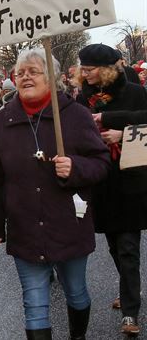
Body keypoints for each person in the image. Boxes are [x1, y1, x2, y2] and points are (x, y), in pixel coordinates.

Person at [0, 48, 110, 340]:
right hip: (24, 228)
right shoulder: (1, 121)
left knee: (76, 293)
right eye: (20, 72)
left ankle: (77, 336)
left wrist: (75, 167)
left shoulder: (75, 115)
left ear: (52, 79)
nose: (25, 77)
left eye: (34, 72)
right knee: (34, 304)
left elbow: (101, 162)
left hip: (68, 224)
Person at [75, 43, 147, 336]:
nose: (84, 73)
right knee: (115, 246)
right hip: (102, 182)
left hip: (131, 179)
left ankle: (130, 312)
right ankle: (128, 289)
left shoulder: (135, 91)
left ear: (105, 69)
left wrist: (114, 125)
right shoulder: (84, 96)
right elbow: (77, 128)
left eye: (89, 69)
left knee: (129, 247)